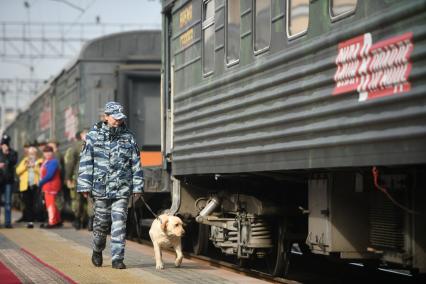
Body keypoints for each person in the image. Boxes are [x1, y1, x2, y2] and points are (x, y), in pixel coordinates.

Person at [78, 101, 144, 269]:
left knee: (120, 223)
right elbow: (86, 162)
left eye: (120, 118)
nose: (118, 121)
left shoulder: (128, 137)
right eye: (115, 118)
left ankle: (117, 258)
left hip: (122, 188)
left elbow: (135, 163)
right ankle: (97, 249)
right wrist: (84, 186)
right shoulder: (93, 136)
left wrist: (137, 187)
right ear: (105, 117)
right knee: (100, 224)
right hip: (100, 189)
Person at [64, 129, 89, 229]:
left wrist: (68, 177)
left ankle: (78, 220)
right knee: (90, 200)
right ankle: (89, 222)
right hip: (92, 177)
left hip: (80, 177)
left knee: (78, 200)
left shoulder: (76, 146)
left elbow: (70, 164)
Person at [15, 146, 43, 228]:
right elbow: (18, 171)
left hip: (35, 185)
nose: (31, 155)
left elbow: (42, 172)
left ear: (36, 154)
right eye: (30, 153)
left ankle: (37, 219)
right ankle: (30, 221)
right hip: (25, 186)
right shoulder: (25, 161)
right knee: (28, 204)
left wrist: (34, 166)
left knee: (36, 204)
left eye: (33, 153)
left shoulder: (39, 161)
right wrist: (26, 166)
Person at [39, 146, 62, 228]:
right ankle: (57, 220)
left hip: (51, 185)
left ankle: (52, 222)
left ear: (52, 153)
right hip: (48, 185)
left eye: (49, 152)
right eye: (45, 152)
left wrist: (40, 183)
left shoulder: (53, 162)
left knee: (50, 204)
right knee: (53, 204)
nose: (47, 153)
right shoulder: (46, 161)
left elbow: (49, 175)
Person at [0, 134, 18, 228]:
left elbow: (13, 162)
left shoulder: (13, 153)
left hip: (8, 181)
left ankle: (7, 222)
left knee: (8, 202)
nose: (4, 145)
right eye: (3, 142)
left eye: (6, 143)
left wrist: (6, 154)